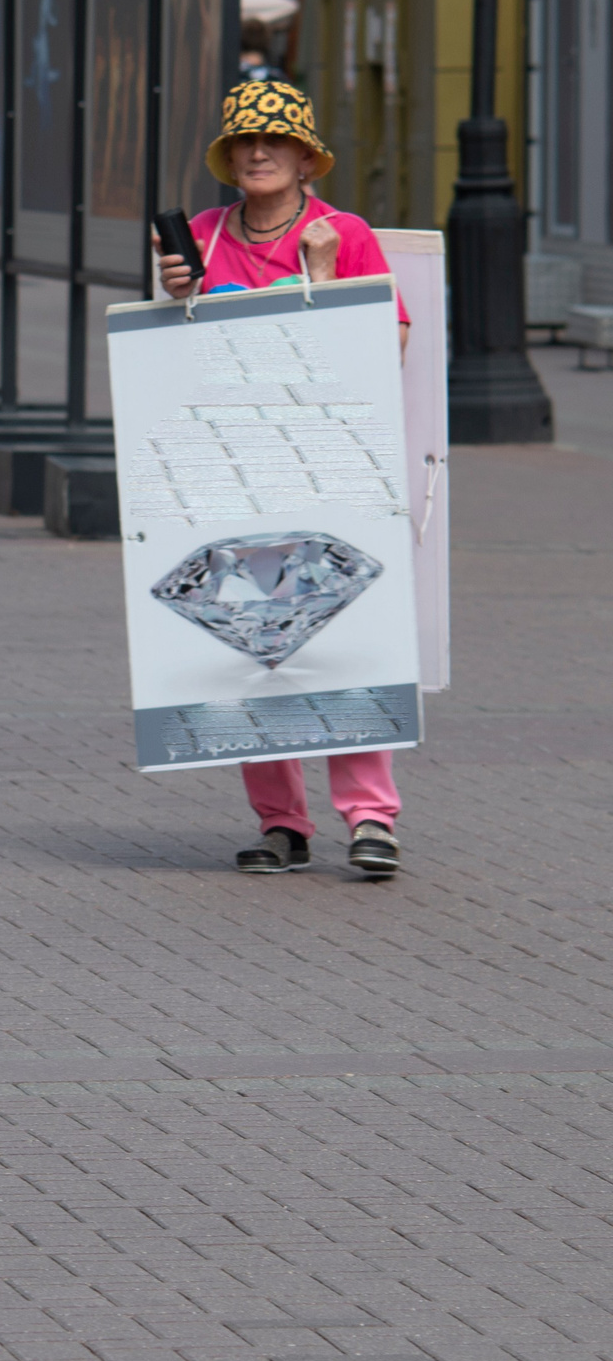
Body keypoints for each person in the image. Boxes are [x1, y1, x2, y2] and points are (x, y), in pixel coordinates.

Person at [154, 78, 412, 880]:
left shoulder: (346, 233)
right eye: (244, 142)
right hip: (230, 472)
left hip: (327, 466)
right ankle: (281, 822)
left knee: (344, 639)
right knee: (249, 647)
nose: (258, 152)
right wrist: (173, 300)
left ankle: (371, 817)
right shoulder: (200, 233)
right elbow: (167, 361)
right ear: (229, 158)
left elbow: (384, 351)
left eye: (275, 140)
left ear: (306, 156)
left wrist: (328, 279)